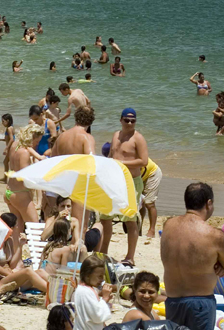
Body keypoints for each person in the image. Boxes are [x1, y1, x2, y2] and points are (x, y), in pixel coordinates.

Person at [161, 182, 224, 330]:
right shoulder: (214, 235)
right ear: (209, 203)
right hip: (200, 303)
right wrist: (220, 264)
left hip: (172, 300)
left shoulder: (168, 226)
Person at [101, 108, 147, 265]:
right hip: (113, 180)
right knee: (105, 217)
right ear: (121, 120)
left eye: (132, 120)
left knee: (130, 219)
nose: (129, 123)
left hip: (131, 182)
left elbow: (144, 161)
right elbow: (111, 156)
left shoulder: (138, 139)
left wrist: (122, 163)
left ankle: (130, 257)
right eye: (126, 120)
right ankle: (103, 252)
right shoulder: (116, 135)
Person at [4, 124, 45, 239]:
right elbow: (25, 176)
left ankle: (16, 254)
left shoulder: (15, 145)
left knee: (17, 229)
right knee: (35, 228)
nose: (37, 144)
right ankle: (36, 255)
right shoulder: (25, 153)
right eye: (37, 141)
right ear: (31, 138)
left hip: (9, 192)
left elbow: (28, 148)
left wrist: (37, 156)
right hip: (20, 194)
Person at [72, 255, 113, 330]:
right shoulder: (86, 292)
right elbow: (97, 316)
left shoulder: (83, 289)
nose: (102, 279)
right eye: (99, 276)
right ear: (87, 276)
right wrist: (104, 299)